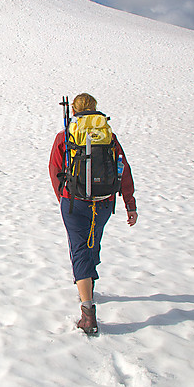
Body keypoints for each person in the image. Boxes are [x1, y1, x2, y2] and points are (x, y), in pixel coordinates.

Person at [49, 93, 137, 334]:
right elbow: (123, 169)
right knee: (92, 243)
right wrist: (130, 203)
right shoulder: (108, 137)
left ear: (74, 110)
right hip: (104, 201)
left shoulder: (65, 136)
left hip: (74, 202)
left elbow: (55, 169)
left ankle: (88, 313)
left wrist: (63, 198)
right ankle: (88, 282)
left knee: (79, 248)